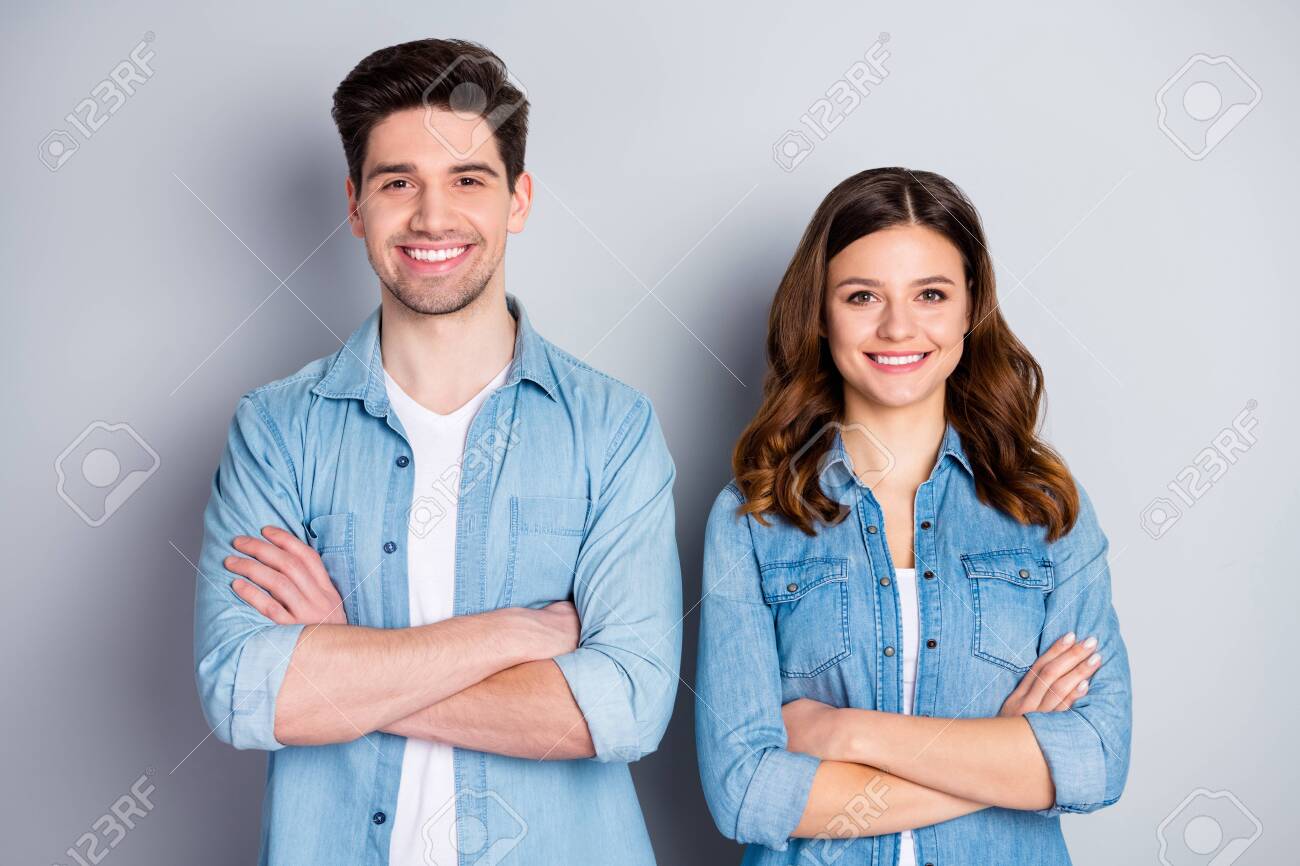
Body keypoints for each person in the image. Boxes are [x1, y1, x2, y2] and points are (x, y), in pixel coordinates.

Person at [192, 38, 682, 866]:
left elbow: (624, 709)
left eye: (467, 179)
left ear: (517, 200)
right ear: (355, 206)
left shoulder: (613, 428)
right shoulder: (275, 430)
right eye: (397, 182)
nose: (431, 217)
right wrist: (510, 635)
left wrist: (345, 659)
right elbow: (245, 696)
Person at [695, 167, 1131, 865]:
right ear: (821, 312)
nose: (898, 326)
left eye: (931, 294)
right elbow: (747, 793)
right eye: (862, 295)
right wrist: (1005, 757)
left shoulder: (1045, 508)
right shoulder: (753, 519)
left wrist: (845, 734)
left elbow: (1096, 760)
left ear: (970, 309)